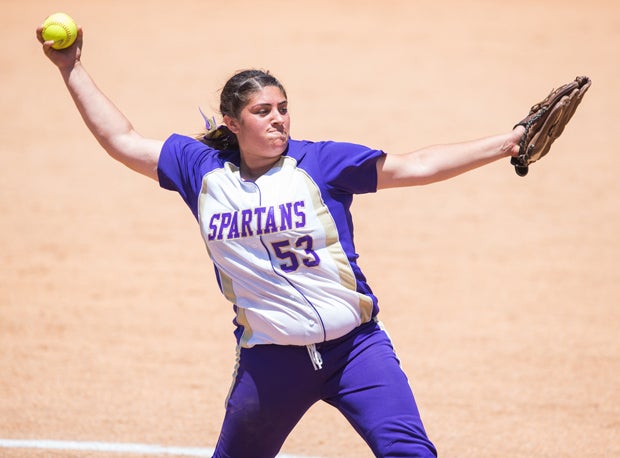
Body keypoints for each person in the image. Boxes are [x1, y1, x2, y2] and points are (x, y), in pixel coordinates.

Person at [37, 25, 525, 458]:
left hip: (356, 350)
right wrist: (71, 67)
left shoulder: (321, 164)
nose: (279, 120)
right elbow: (123, 140)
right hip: (270, 362)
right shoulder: (200, 171)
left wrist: (508, 141)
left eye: (284, 109)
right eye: (263, 111)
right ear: (232, 122)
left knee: (409, 452)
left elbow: (414, 165)